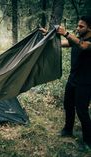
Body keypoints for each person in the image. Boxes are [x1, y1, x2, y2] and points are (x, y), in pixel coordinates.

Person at [41, 15, 91, 148]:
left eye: (81, 26)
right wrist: (49, 35)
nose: (78, 28)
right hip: (72, 80)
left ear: (90, 28)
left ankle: (88, 141)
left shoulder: (88, 42)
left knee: (82, 110)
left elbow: (83, 46)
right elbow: (62, 44)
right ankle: (68, 130)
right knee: (68, 105)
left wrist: (66, 33)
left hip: (85, 83)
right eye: (78, 25)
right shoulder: (77, 39)